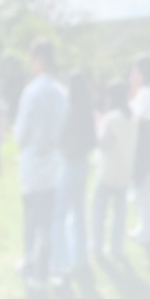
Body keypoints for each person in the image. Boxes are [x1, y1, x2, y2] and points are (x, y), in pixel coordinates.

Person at [12, 38, 68, 283]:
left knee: (31, 216)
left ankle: (33, 264)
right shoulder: (61, 92)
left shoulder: (32, 91)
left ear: (39, 60)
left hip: (33, 161)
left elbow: (21, 132)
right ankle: (43, 264)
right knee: (47, 217)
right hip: (53, 162)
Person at [53, 70, 96, 278]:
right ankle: (80, 258)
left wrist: (66, 149)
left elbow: (61, 136)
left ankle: (61, 260)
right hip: (82, 164)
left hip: (71, 164)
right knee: (78, 213)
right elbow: (92, 140)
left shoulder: (72, 110)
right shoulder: (87, 110)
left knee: (59, 213)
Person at [90, 81, 134, 259]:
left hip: (108, 172)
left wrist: (97, 123)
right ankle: (116, 248)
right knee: (119, 214)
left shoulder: (111, 118)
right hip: (125, 171)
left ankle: (97, 245)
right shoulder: (129, 116)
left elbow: (103, 143)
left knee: (99, 211)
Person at [127, 55, 150, 243]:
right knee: (143, 189)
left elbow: (136, 121)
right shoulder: (147, 92)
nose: (131, 77)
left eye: (134, 73)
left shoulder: (145, 93)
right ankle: (145, 227)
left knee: (144, 190)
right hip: (147, 146)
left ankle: (148, 231)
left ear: (142, 74)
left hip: (142, 148)